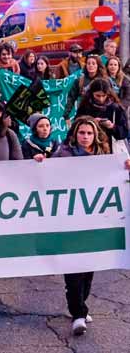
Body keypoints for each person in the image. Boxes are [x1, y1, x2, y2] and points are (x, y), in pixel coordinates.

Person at [40, 117, 113, 336]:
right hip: (69, 223)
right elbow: (46, 177)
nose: (85, 137)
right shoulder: (63, 155)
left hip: (93, 224)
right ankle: (78, 313)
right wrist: (40, 162)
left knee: (88, 269)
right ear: (75, 134)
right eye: (81, 133)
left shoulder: (104, 158)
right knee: (73, 270)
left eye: (89, 133)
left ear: (95, 135)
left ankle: (80, 303)